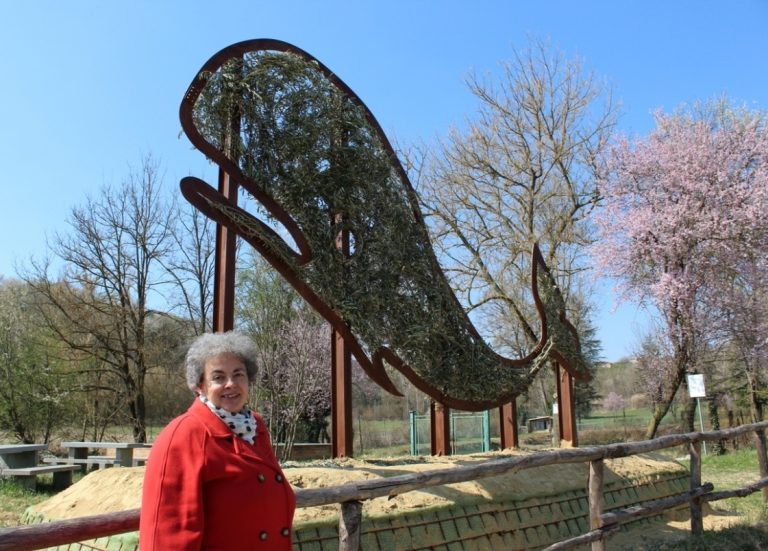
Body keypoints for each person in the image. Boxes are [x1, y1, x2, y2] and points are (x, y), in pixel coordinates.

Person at [139, 331, 296, 550]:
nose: (230, 384)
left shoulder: (254, 427)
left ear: (248, 379)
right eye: (218, 377)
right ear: (200, 385)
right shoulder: (183, 436)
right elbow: (167, 537)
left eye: (238, 374)